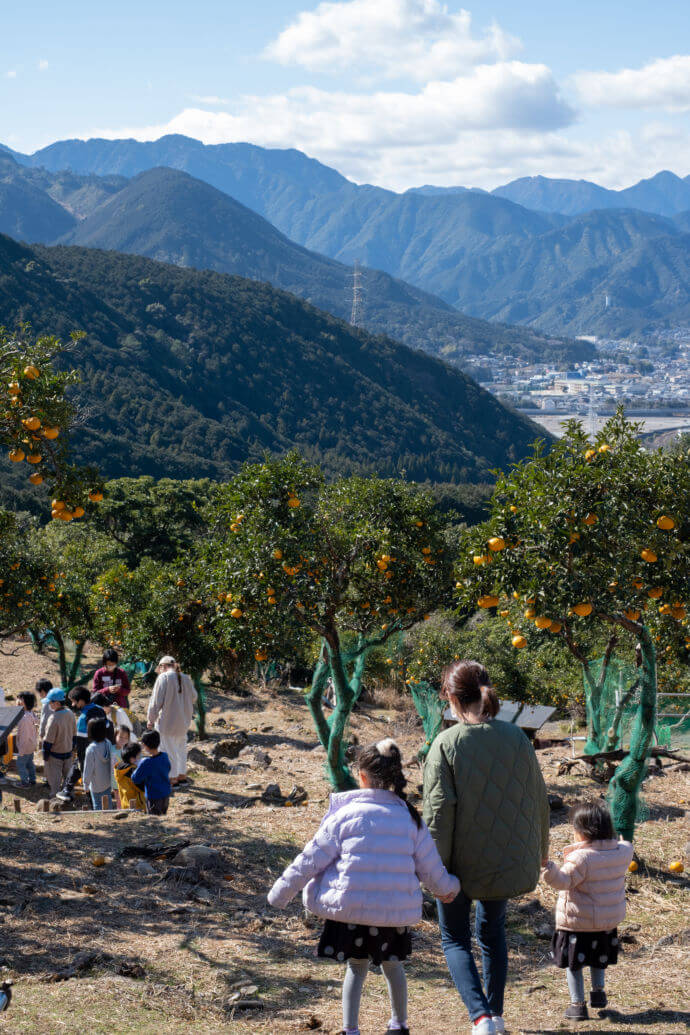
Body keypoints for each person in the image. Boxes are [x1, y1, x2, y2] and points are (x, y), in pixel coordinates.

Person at [268, 738, 460, 1035]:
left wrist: (281, 892)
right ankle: (399, 1025)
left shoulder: (344, 815)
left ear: (362, 776)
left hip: (351, 910)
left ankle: (351, 1029)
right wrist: (449, 888)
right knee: (394, 967)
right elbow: (430, 868)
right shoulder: (411, 819)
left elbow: (309, 860)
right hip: (393, 914)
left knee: (356, 969)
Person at [423, 661, 551, 1035]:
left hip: (460, 864)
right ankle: (495, 1015)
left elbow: (438, 814)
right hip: (506, 858)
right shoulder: (516, 737)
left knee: (454, 939)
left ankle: (479, 1018)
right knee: (493, 933)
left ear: (450, 697)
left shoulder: (446, 744)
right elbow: (538, 800)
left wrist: (435, 870)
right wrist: (540, 850)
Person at [542, 801, 633, 1021]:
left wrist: (548, 868)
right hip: (605, 923)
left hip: (577, 923)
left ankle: (577, 1005)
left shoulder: (581, 858)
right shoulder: (622, 852)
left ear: (582, 833)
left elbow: (563, 881)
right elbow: (626, 846)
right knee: (597, 958)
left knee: (574, 965)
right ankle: (599, 994)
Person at [146, 656, 197, 786]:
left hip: (166, 722)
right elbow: (194, 697)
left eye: (159, 667)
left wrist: (150, 720)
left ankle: (172, 779)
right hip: (184, 722)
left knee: (168, 751)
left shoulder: (164, 678)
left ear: (163, 666)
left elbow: (155, 703)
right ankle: (182, 776)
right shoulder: (186, 678)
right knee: (180, 749)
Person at [57, 688, 109, 803]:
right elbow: (108, 728)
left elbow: (81, 743)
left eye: (73, 702)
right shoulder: (100, 710)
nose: (72, 704)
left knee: (82, 769)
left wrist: (80, 759)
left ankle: (93, 802)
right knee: (78, 767)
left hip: (87, 751)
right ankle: (67, 789)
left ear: (81, 701)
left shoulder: (82, 719)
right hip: (102, 749)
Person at [42, 689, 77, 797]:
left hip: (55, 755)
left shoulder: (53, 718)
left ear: (57, 703)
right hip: (68, 752)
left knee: (55, 780)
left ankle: (54, 797)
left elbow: (48, 741)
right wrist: (73, 748)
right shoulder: (70, 713)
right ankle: (69, 795)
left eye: (50, 702)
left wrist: (45, 756)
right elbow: (74, 734)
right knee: (68, 777)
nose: (48, 704)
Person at [132, 730, 172, 815]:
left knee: (154, 821)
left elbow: (135, 779)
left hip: (153, 797)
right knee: (163, 815)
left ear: (145, 745)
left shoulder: (146, 762)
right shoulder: (164, 756)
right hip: (166, 794)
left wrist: (138, 765)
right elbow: (168, 768)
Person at [82, 717, 114, 811]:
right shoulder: (108, 743)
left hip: (96, 784)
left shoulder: (91, 749)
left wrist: (86, 785)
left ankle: (103, 822)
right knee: (108, 804)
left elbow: (88, 769)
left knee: (98, 806)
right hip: (107, 782)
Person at [114, 742, 146, 811]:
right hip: (137, 805)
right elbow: (142, 787)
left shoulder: (121, 768)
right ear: (132, 758)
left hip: (126, 804)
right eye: (138, 754)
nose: (140, 756)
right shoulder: (132, 771)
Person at [15, 692, 38, 786]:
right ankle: (32, 780)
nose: (17, 701)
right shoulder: (31, 714)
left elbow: (25, 735)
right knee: (29, 763)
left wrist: (21, 750)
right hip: (31, 744)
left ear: (23, 702)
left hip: (25, 746)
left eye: (19, 699)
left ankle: (24, 782)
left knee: (21, 764)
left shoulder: (24, 718)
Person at [36, 679, 54, 743]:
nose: (39, 695)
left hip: (48, 734)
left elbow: (44, 720)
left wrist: (41, 733)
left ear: (42, 691)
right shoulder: (56, 700)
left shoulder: (46, 703)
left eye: (39, 692)